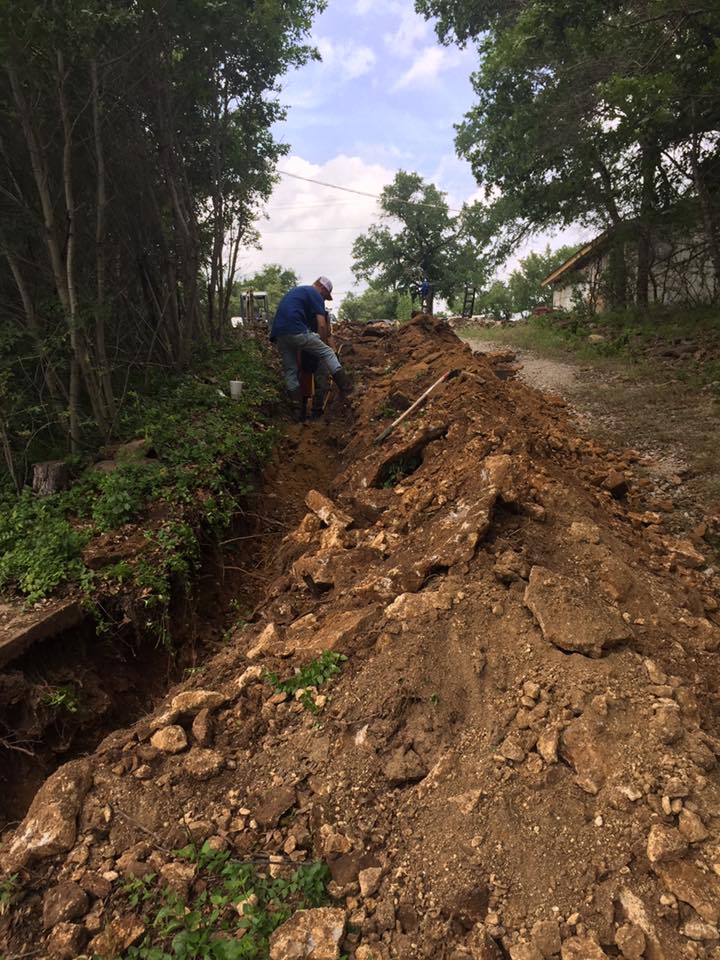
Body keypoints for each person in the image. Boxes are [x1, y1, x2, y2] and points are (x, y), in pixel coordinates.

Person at [270, 277, 351, 417]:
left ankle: (296, 410)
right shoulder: (314, 293)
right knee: (328, 353)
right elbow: (321, 324)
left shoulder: (297, 292)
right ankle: (347, 388)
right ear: (322, 288)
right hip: (296, 330)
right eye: (325, 296)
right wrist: (321, 342)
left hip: (279, 334)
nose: (323, 299)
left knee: (291, 370)